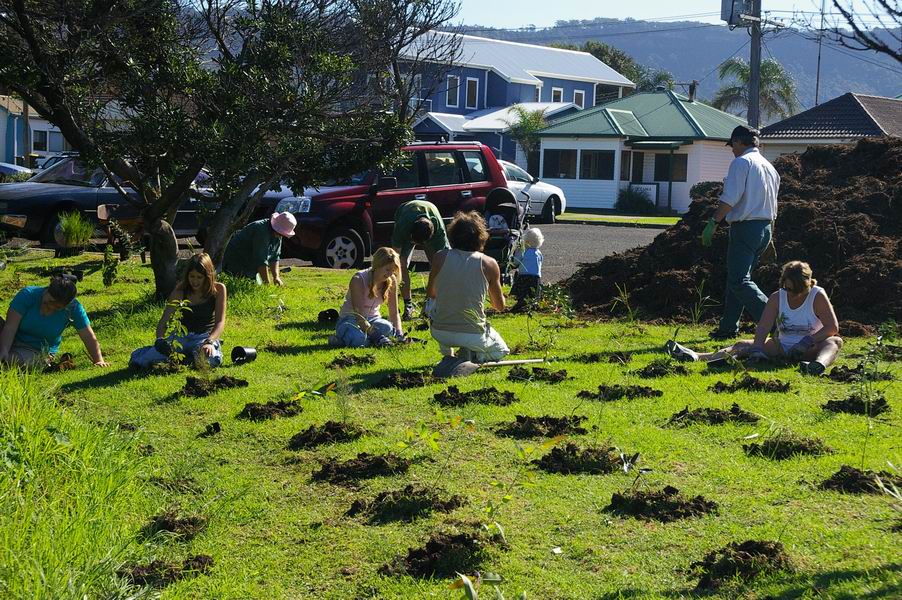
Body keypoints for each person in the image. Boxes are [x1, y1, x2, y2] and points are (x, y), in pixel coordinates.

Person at [666, 261, 843, 375]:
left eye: (795, 290)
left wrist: (807, 340)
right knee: (743, 345)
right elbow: (764, 327)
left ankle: (817, 366)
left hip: (809, 348)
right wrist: (758, 348)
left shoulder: (817, 295)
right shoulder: (777, 297)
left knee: (834, 342)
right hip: (781, 346)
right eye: (787, 289)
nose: (791, 294)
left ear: (807, 285)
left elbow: (831, 327)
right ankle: (697, 356)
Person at [702, 125, 780, 340]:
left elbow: (730, 198)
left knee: (739, 281)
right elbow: (773, 205)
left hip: (745, 228)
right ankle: (728, 328)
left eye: (732, 146)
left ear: (738, 141)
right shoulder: (769, 167)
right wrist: (770, 235)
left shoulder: (741, 163)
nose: (732, 150)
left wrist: (713, 222)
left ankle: (776, 322)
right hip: (764, 228)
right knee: (737, 280)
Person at [427, 211, 509, 364]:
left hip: (440, 332)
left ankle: (448, 354)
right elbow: (499, 306)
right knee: (502, 351)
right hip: (472, 335)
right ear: (481, 237)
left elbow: (431, 293)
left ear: (452, 236)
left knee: (436, 304)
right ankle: (475, 355)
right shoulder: (489, 263)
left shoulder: (439, 257)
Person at [130, 253, 227, 369]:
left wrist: (209, 342)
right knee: (142, 362)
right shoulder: (180, 292)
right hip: (181, 337)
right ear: (187, 276)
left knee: (211, 361)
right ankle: (144, 353)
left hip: (203, 337)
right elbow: (164, 321)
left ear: (208, 276)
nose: (195, 281)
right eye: (192, 276)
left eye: (199, 277)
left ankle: (190, 357)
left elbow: (220, 322)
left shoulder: (218, 289)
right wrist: (160, 341)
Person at [0, 273, 108, 367]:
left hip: (38, 351)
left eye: (57, 307)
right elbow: (10, 327)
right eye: (48, 302)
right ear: (47, 290)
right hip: (11, 338)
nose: (50, 307)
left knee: (10, 361)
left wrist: (98, 360)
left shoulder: (74, 308)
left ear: (67, 305)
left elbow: (87, 335)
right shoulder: (27, 295)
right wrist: (4, 349)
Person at [329, 247, 404, 348]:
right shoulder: (358, 279)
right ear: (377, 266)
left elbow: (394, 313)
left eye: (393, 270)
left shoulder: (391, 280)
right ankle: (342, 338)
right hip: (351, 319)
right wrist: (377, 336)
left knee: (388, 328)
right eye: (387, 269)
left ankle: (354, 339)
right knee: (360, 341)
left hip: (373, 319)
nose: (390, 274)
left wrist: (399, 334)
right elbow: (359, 316)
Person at [391, 200, 449, 320]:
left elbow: (443, 264)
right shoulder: (403, 225)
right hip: (405, 212)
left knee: (437, 265)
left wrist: (428, 301)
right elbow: (394, 256)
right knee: (400, 264)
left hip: (431, 214)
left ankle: (434, 304)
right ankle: (408, 305)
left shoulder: (439, 232)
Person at [222, 212, 297, 285]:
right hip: (237, 264)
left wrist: (276, 277)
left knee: (256, 285)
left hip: (251, 267)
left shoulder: (277, 234)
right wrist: (266, 283)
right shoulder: (261, 231)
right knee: (247, 285)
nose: (282, 236)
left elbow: (275, 257)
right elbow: (261, 260)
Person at [511, 227, 544, 312]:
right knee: (533, 294)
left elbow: (516, 262)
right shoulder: (538, 252)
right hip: (536, 277)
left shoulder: (523, 251)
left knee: (523, 294)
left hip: (524, 275)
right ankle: (532, 305)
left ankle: (520, 305)